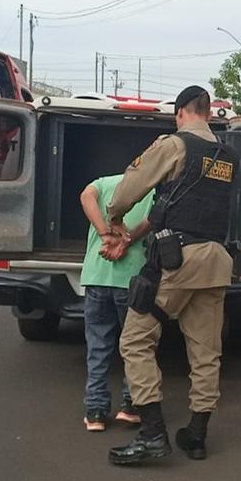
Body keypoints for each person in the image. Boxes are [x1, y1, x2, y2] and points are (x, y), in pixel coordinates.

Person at [105, 85, 236, 466]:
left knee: (135, 339)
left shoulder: (175, 145)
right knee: (206, 352)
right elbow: (169, 206)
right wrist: (135, 235)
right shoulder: (226, 154)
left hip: (178, 262)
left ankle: (151, 434)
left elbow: (132, 186)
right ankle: (196, 436)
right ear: (208, 113)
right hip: (215, 261)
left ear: (180, 112)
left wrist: (114, 216)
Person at [78, 175, 154, 432]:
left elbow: (86, 196)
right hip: (132, 279)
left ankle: (96, 411)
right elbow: (154, 218)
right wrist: (127, 239)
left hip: (97, 275)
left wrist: (104, 234)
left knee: (97, 346)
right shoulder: (152, 188)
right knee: (135, 347)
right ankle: (130, 406)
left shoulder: (104, 183)